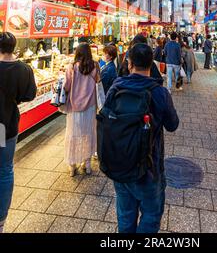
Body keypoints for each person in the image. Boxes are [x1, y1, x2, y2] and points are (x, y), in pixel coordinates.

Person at [105, 43, 179, 233]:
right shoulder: (160, 92)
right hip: (149, 168)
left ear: (129, 64)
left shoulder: (116, 87)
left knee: (125, 215)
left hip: (120, 164)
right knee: (151, 217)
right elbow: (173, 125)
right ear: (151, 64)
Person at [0, 32, 37, 234]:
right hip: (7, 124)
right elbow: (30, 94)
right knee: (5, 170)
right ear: (14, 47)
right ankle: (1, 220)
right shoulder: (24, 69)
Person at [64, 43, 100, 177]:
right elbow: (98, 82)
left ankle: (72, 165)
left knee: (73, 134)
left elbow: (67, 87)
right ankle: (87, 164)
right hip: (90, 106)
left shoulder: (72, 67)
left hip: (74, 107)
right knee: (88, 133)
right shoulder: (95, 66)